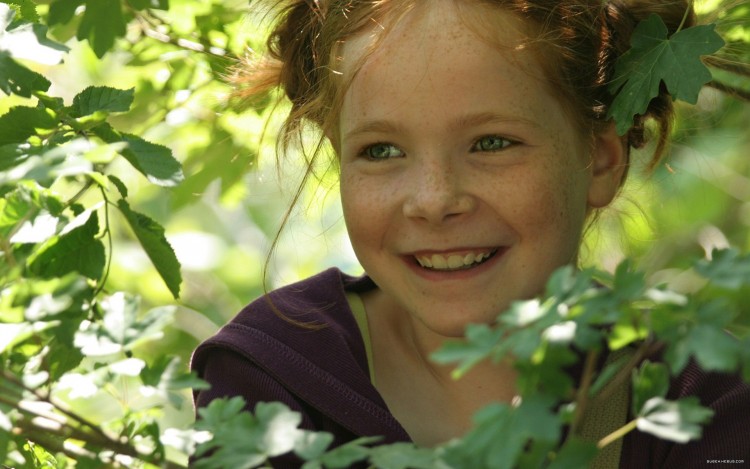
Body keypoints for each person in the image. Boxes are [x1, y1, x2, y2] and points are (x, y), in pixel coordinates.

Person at [192, 0, 750, 467]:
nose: (434, 201)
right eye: (381, 151)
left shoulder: (702, 390)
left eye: (491, 143)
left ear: (601, 159)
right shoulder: (275, 376)